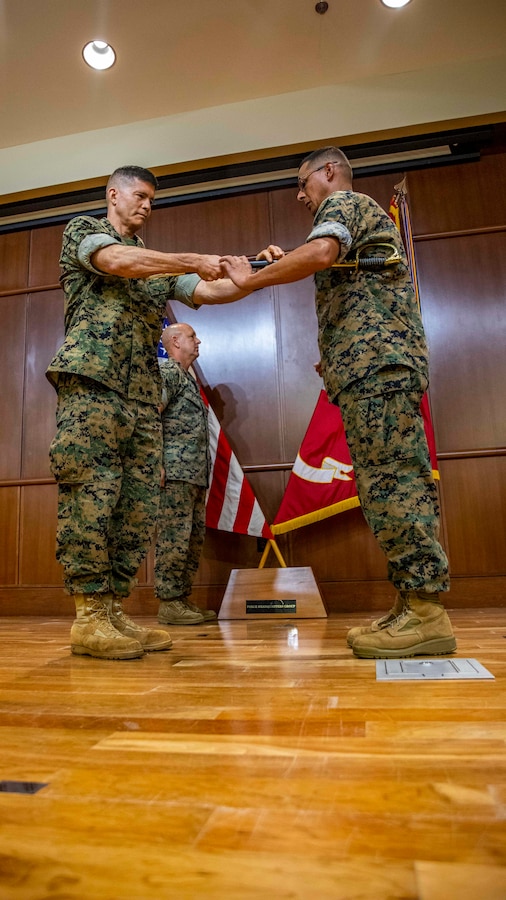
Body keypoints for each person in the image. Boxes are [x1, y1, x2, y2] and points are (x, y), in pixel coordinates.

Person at [220, 146, 456, 660]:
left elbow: (322, 254)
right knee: (381, 485)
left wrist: (253, 279)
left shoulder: (345, 203)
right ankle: (411, 602)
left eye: (303, 184)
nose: (301, 196)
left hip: (379, 370)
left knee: (395, 482)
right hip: (366, 371)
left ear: (329, 173)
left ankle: (426, 612)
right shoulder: (345, 221)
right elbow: (343, 276)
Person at [47, 165, 247, 660]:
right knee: (91, 496)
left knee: (135, 507)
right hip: (92, 383)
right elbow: (118, 261)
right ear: (113, 194)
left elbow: (209, 290)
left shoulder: (155, 266)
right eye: (139, 196)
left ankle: (113, 610)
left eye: (152, 200)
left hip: (141, 395)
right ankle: (89, 615)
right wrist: (192, 259)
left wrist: (252, 275)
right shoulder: (85, 232)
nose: (146, 206)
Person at [154, 323, 216, 626]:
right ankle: (169, 602)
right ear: (175, 341)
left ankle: (181, 600)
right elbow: (153, 414)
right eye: (193, 336)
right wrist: (157, 463)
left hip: (193, 474)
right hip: (175, 473)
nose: (198, 340)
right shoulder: (167, 373)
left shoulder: (187, 380)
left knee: (191, 540)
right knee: (174, 539)